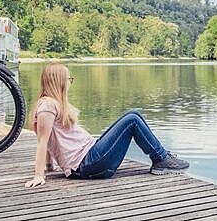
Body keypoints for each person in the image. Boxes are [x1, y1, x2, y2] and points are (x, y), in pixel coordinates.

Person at [24, 63, 189, 188]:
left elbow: (49, 138)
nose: (69, 82)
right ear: (58, 82)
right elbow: (42, 141)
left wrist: (49, 165)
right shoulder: (47, 105)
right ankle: (160, 158)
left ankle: (161, 157)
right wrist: (39, 175)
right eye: (68, 79)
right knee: (132, 120)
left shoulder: (53, 103)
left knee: (134, 114)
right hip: (86, 165)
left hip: (91, 157)